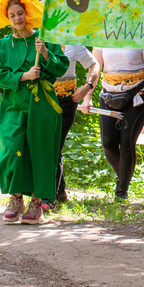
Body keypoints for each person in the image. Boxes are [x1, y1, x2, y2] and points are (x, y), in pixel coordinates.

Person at [0, 0, 69, 224]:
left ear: (27, 12)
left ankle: (36, 202)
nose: (17, 17)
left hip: (42, 105)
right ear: (6, 18)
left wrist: (44, 54)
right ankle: (15, 197)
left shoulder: (45, 38)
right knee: (11, 148)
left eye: (20, 13)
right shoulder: (0, 47)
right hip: (14, 106)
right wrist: (24, 75)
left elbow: (61, 66)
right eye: (12, 15)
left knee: (40, 150)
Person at [92, 47, 144, 200]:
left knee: (127, 141)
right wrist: (88, 95)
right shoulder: (103, 35)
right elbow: (96, 67)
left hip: (138, 94)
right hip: (109, 93)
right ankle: (122, 175)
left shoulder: (142, 34)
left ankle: (122, 190)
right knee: (108, 142)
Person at [52, 45, 101, 204]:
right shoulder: (39, 40)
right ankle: (59, 192)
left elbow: (95, 64)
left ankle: (49, 196)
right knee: (49, 145)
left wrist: (87, 87)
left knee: (55, 145)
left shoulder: (72, 43)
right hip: (43, 100)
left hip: (67, 100)